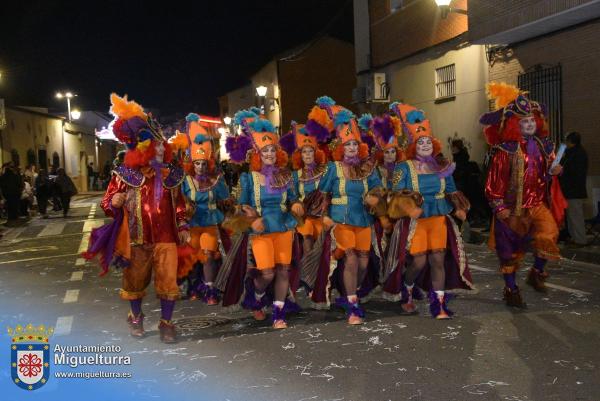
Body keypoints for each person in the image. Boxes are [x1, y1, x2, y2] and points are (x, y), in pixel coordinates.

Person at [83, 94, 189, 343]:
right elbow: (107, 203)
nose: (163, 148)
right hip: (136, 239)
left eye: (164, 144)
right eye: (158, 144)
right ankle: (137, 317)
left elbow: (180, 205)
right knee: (134, 282)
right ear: (145, 147)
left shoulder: (172, 175)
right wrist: (114, 202)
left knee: (168, 282)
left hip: (166, 237)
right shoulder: (124, 175)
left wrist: (183, 224)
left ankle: (166, 323)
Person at [382, 102, 473, 318]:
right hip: (416, 222)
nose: (425, 145)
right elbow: (394, 193)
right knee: (420, 261)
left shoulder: (443, 166)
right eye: (420, 142)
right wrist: (409, 208)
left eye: (428, 141)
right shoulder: (404, 167)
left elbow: (451, 191)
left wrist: (459, 209)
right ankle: (408, 288)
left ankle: (438, 304)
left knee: (438, 260)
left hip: (439, 219)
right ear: (414, 145)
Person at [481, 82, 563, 307]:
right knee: (510, 253)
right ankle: (511, 288)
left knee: (549, 234)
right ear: (514, 124)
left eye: (531, 120)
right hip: (512, 208)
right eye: (523, 121)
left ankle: (536, 271)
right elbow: (492, 183)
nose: (529, 124)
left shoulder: (545, 145)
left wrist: (555, 170)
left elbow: (547, 173)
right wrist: (499, 207)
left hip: (536, 203)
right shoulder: (505, 150)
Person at [223, 108, 304, 329]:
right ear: (258, 154)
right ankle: (257, 297)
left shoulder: (286, 176)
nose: (269, 154)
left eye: (272, 150)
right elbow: (240, 206)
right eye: (265, 150)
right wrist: (250, 217)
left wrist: (296, 204)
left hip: (284, 226)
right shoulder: (249, 179)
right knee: (266, 273)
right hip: (261, 230)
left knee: (283, 270)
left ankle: (278, 313)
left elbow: (294, 199)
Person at [305, 96, 383, 325]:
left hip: (363, 220)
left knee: (363, 263)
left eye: (354, 144)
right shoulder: (333, 168)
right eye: (347, 144)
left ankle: (351, 290)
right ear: (340, 147)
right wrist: (325, 216)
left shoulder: (369, 168)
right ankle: (352, 304)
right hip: (340, 221)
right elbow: (321, 194)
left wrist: (375, 197)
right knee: (349, 259)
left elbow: (380, 190)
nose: (351, 148)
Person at [176, 113, 233, 304]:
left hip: (210, 222)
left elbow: (226, 201)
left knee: (209, 254)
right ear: (191, 164)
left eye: (203, 163)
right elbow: (177, 201)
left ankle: (210, 289)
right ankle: (194, 286)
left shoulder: (216, 180)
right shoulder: (184, 181)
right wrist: (184, 210)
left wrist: (230, 207)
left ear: (208, 163)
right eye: (196, 163)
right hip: (192, 224)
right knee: (193, 256)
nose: (200, 167)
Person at [280, 121, 329, 261]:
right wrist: (295, 204)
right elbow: (292, 197)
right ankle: (308, 274)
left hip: (322, 216)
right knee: (306, 238)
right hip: (304, 218)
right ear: (299, 155)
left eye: (310, 151)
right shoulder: (295, 175)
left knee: (322, 248)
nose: (307, 155)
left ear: (316, 152)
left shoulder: (326, 170)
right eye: (304, 152)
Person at [559, 131, 589, 247]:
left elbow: (574, 172)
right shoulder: (571, 152)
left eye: (566, 140)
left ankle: (580, 240)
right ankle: (574, 237)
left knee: (576, 216)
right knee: (571, 217)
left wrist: (562, 168)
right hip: (569, 190)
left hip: (574, 191)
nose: (565, 142)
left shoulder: (579, 154)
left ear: (572, 142)